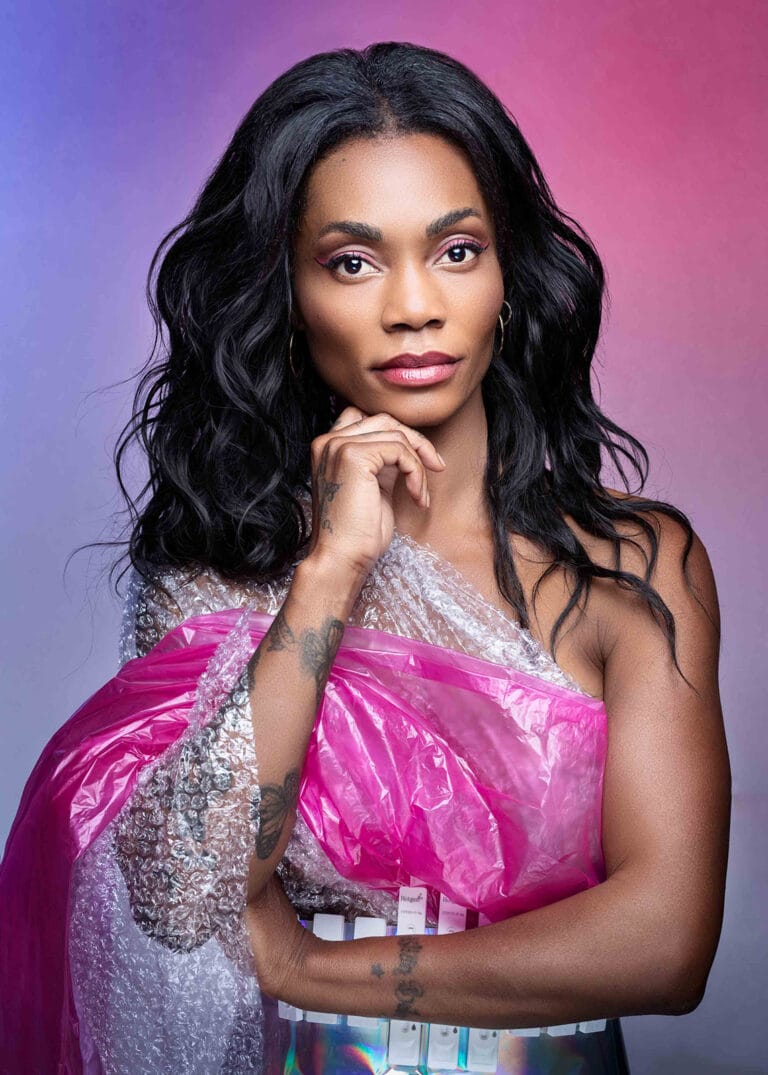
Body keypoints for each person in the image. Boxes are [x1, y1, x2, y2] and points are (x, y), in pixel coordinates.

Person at [0, 41, 730, 1075]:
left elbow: (665, 945)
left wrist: (309, 967)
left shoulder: (631, 567)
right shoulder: (218, 574)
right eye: (352, 261)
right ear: (288, 294)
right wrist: (331, 572)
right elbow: (181, 892)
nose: (413, 304)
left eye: (457, 250)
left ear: (510, 275)